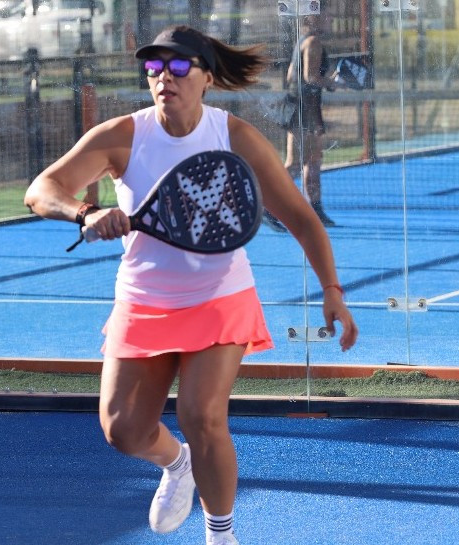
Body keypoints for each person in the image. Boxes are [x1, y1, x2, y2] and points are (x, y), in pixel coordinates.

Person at [24, 25, 358, 545]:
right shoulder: (121, 136)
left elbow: (300, 218)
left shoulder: (235, 137)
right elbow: (41, 189)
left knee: (201, 416)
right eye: (154, 68)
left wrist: (332, 291)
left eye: (180, 66)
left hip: (219, 297)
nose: (165, 77)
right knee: (123, 431)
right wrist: (84, 212)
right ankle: (177, 464)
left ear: (207, 78)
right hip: (143, 299)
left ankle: (221, 535)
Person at [283, 12, 339, 227]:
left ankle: (315, 210)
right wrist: (334, 83)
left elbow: (291, 76)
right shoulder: (313, 42)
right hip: (303, 109)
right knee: (296, 163)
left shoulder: (302, 42)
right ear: (314, 18)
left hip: (305, 107)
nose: (330, 19)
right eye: (326, 16)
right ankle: (267, 206)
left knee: (313, 160)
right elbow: (311, 77)